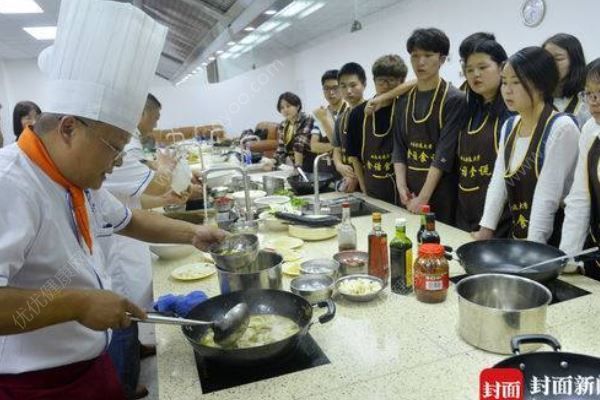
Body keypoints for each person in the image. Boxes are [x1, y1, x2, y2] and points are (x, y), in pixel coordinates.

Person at [0, 1, 225, 399]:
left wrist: (193, 233)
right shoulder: (11, 183)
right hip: (36, 386)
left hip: (91, 364)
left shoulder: (76, 179)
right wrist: (78, 304)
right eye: (113, 147)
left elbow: (130, 221)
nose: (118, 161)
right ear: (69, 128)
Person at [99, 94, 191, 399]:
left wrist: (165, 201)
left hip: (124, 235)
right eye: (154, 116)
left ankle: (133, 355)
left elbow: (130, 200)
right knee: (122, 313)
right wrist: (164, 168)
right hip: (117, 248)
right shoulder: (123, 145)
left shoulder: (126, 144)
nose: (156, 123)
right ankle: (125, 386)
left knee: (132, 307)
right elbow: (155, 184)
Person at [474, 47, 580, 245]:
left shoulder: (561, 128)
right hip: (522, 236)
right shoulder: (510, 126)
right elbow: (499, 182)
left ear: (541, 85)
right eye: (504, 82)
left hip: (553, 240)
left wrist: (533, 248)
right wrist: (485, 229)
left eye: (516, 82)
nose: (507, 90)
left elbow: (547, 196)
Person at [392, 28, 467, 225]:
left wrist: (423, 198)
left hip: (441, 193)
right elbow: (399, 147)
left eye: (427, 55)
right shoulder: (403, 101)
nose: (420, 62)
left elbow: (444, 153)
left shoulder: (454, 99)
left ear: (442, 59)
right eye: (415, 56)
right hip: (409, 194)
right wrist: (401, 187)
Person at [456, 36, 513, 235]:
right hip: (466, 217)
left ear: (501, 67)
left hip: (501, 222)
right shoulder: (468, 110)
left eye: (483, 67)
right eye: (469, 70)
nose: (475, 75)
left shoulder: (511, 113)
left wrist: (488, 226)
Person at [345, 55, 408, 204]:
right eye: (381, 81)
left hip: (402, 191)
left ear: (402, 81)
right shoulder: (358, 113)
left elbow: (418, 82)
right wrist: (364, 189)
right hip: (371, 187)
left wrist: (380, 99)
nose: (385, 86)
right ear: (373, 81)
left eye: (391, 80)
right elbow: (354, 157)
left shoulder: (405, 108)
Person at [560, 58, 600, 279]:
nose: (594, 102)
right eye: (589, 94)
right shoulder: (590, 129)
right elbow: (580, 198)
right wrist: (569, 256)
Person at [331, 62, 368, 193]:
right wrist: (339, 165)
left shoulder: (371, 113)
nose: (348, 91)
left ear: (364, 84)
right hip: (348, 179)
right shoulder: (341, 118)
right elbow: (336, 149)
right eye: (343, 86)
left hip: (369, 178)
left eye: (353, 85)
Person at [543, 33, 591, 127]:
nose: (551, 64)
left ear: (574, 61)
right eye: (547, 59)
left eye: (558, 59)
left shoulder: (586, 100)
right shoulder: (538, 97)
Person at [274, 92, 319, 172]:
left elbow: (299, 145)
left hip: (312, 164)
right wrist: (272, 162)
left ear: (297, 106)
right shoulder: (283, 125)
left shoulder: (307, 119)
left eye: (288, 106)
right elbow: (281, 149)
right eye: (282, 108)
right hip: (297, 165)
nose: (285, 110)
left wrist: (298, 168)